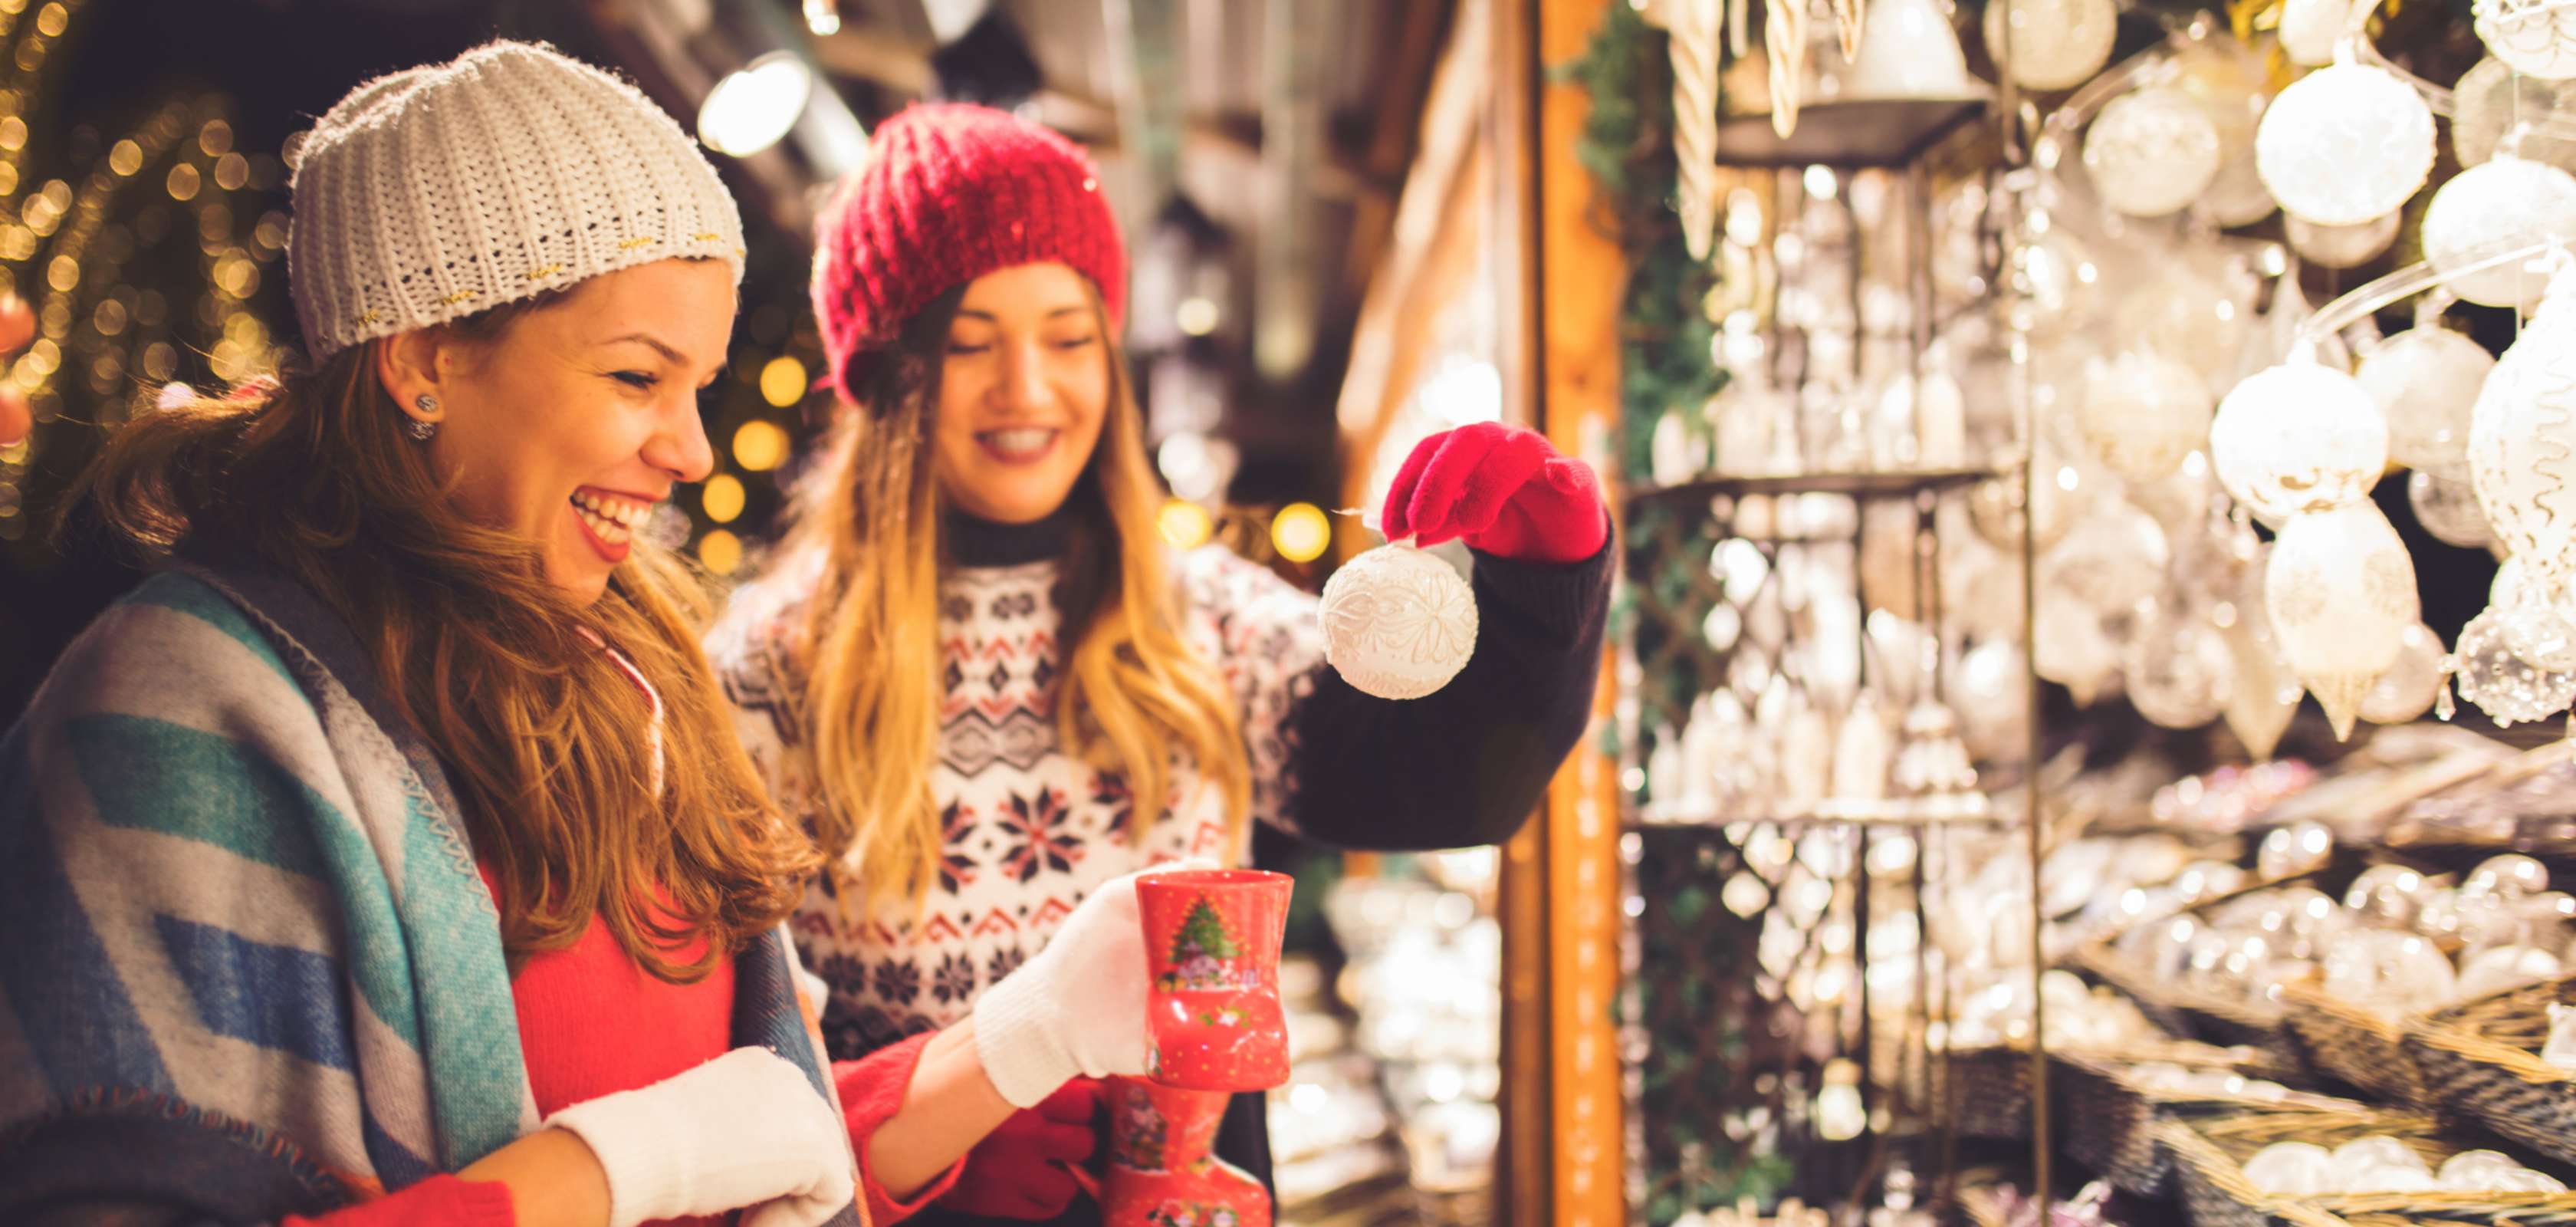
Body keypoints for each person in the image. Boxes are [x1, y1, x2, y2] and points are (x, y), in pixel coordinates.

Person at [0, 45, 1172, 1227]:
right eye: (636, 378)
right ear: (423, 361)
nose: (694, 450)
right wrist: (615, 1168)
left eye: (699, 386)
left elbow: (756, 1137)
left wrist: (1027, 1035)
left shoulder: (630, 677)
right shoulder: (182, 711)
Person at [708, 103, 1615, 1225]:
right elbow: (726, 1083)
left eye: (1069, 336)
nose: (1029, 389)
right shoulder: (760, 675)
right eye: (971, 341)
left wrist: (1544, 578)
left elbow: (1457, 787)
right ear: (886, 373)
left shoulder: (1206, 623)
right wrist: (927, 1160)